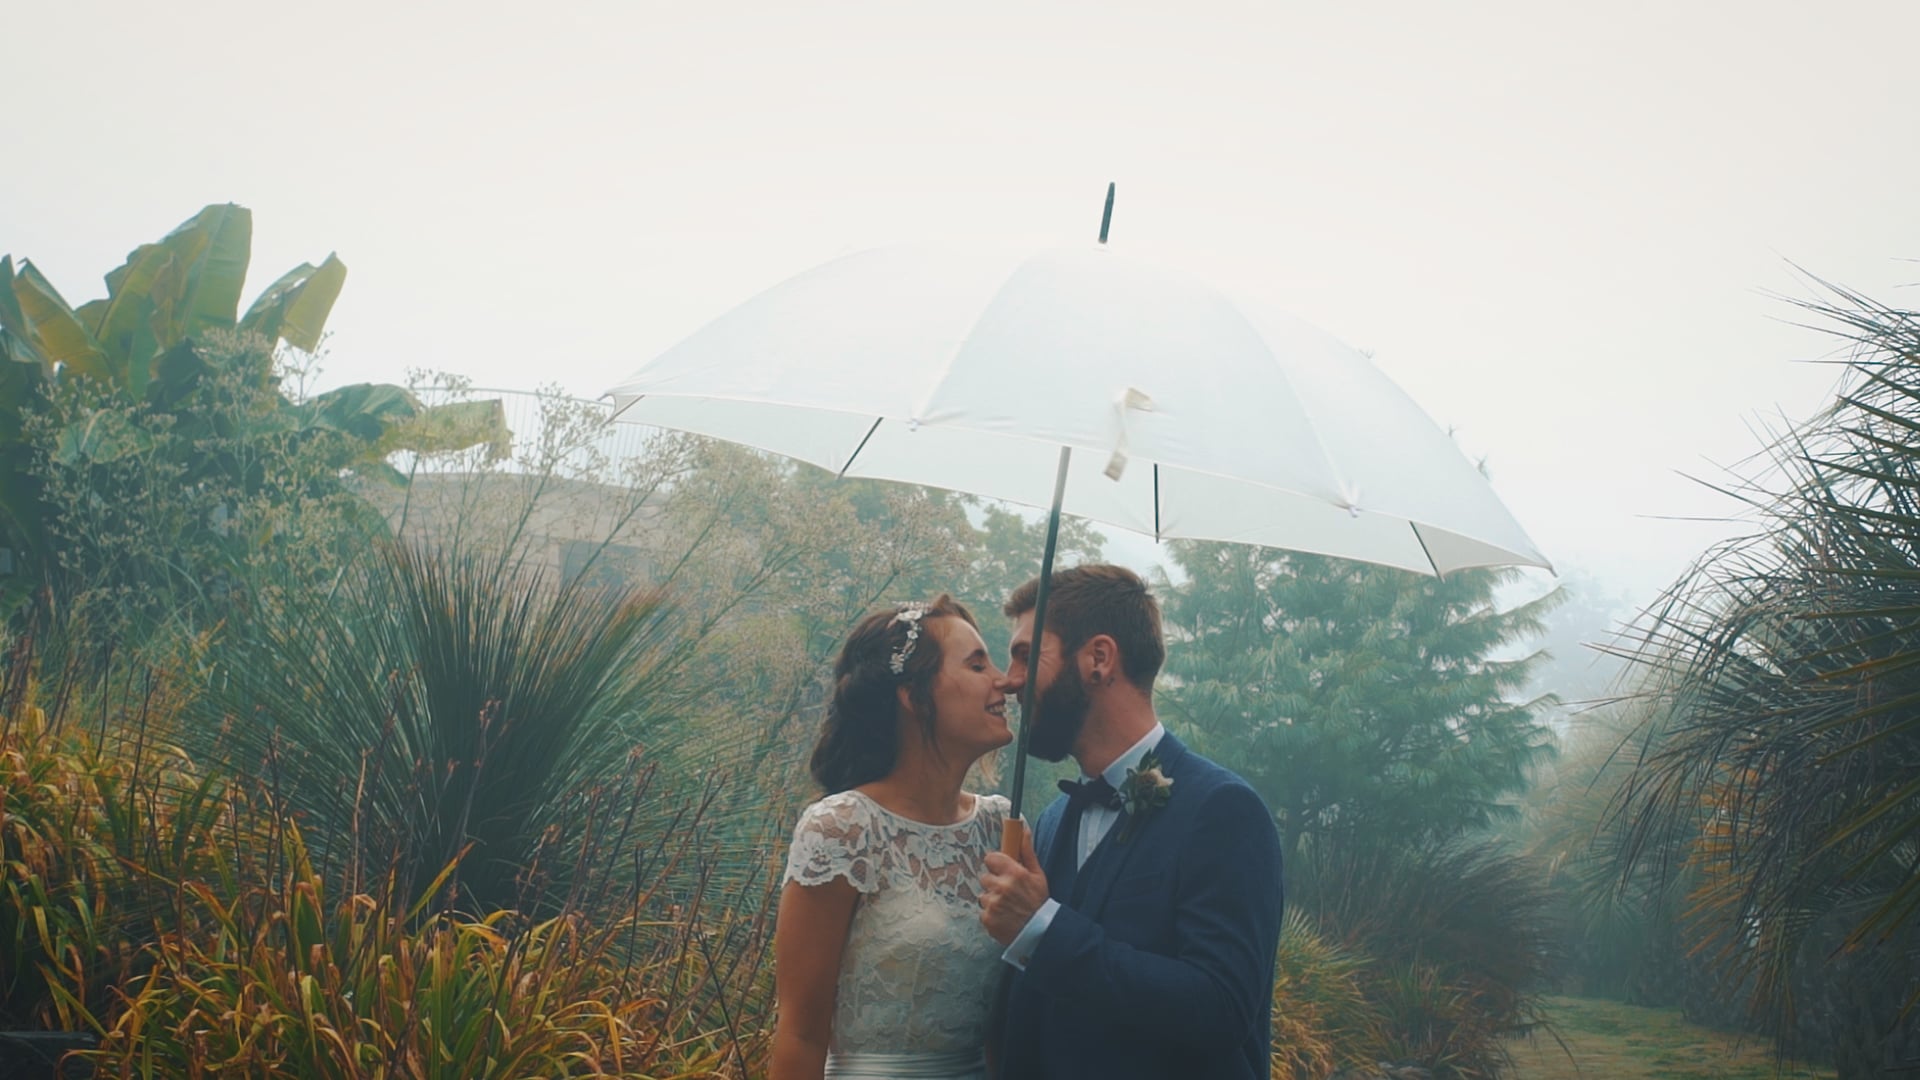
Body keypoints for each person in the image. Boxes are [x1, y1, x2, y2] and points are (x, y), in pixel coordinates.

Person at [978, 564, 1284, 1080]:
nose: (1008, 682)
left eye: (1027, 656)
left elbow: (1221, 1009)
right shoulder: (1053, 822)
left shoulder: (1225, 811)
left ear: (1098, 658)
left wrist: (1042, 931)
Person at [772, 595, 1016, 1080]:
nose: (1003, 680)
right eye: (976, 664)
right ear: (913, 694)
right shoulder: (841, 830)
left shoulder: (1004, 828)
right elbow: (800, 1033)